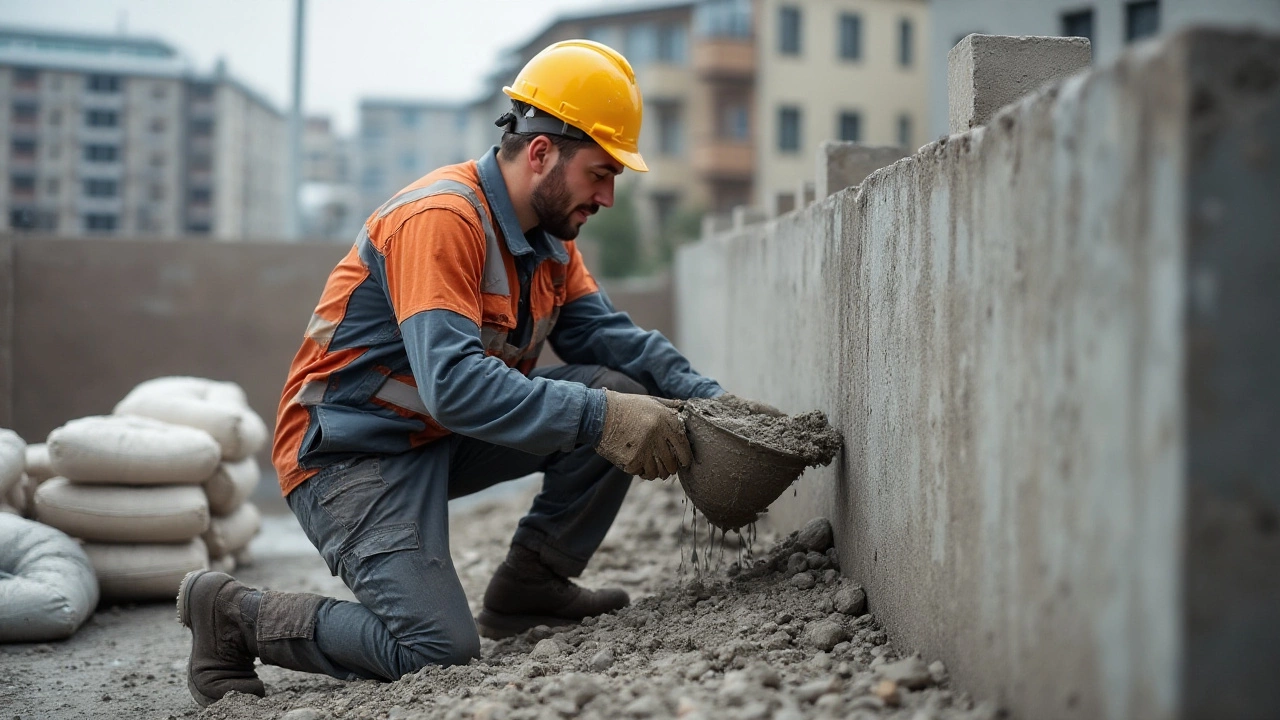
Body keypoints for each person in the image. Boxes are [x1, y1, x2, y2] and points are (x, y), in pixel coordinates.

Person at [176, 39, 767, 706]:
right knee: (435, 650)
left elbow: (610, 339)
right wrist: (604, 419)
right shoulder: (440, 219)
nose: (606, 196)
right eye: (600, 173)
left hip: (434, 439)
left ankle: (531, 588)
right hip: (347, 457)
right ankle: (234, 615)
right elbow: (454, 385)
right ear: (541, 152)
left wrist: (718, 406)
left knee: (620, 393)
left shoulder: (551, 242)